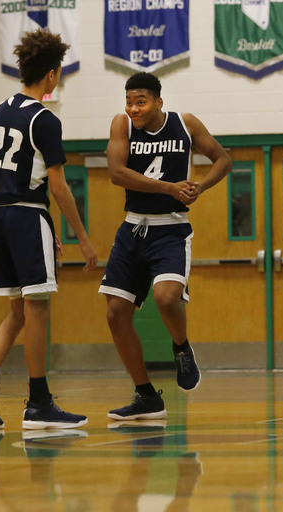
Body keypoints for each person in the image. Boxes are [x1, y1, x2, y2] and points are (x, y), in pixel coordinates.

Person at [0, 29, 98, 430]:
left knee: (17, 311)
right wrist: (83, 238)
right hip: (24, 216)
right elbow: (56, 185)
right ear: (52, 75)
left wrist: (42, 223)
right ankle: (38, 402)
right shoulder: (45, 119)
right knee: (37, 308)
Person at [100, 72, 232, 421]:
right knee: (115, 314)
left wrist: (199, 187)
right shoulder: (122, 126)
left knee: (166, 297)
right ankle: (145, 395)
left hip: (170, 229)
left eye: (140, 101)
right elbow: (116, 172)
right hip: (132, 228)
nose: (133, 108)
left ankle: (181, 347)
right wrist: (170, 188)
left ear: (159, 101)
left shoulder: (184, 124)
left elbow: (223, 160)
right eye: (129, 101)